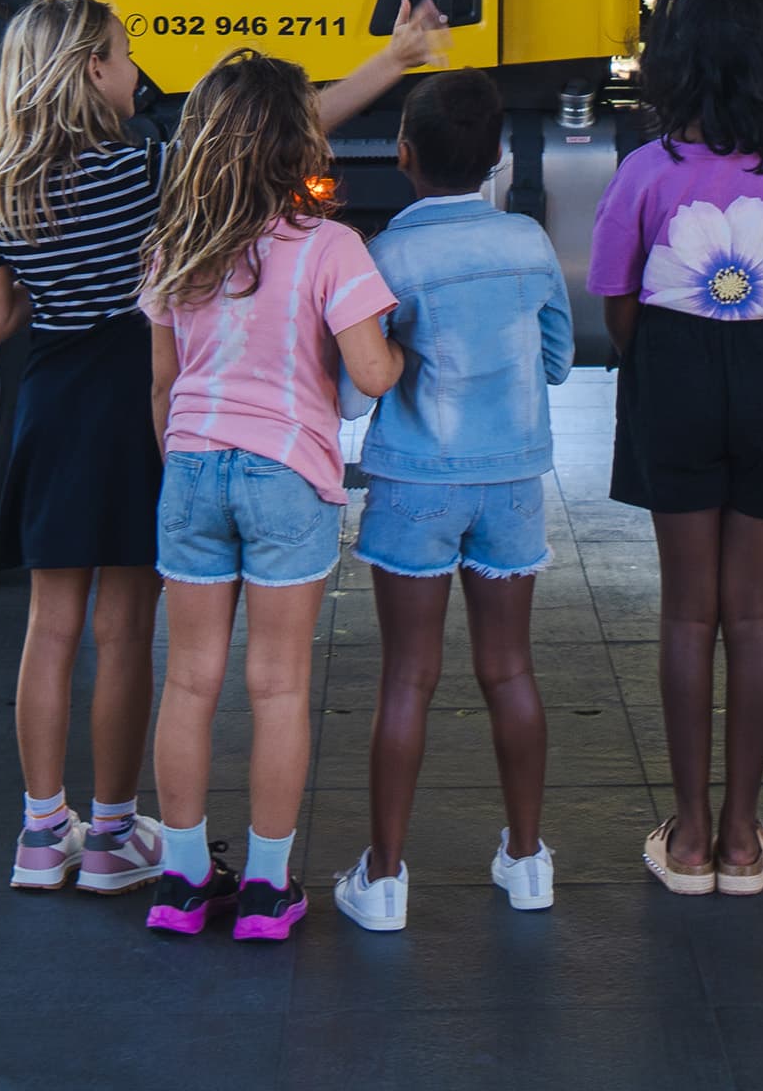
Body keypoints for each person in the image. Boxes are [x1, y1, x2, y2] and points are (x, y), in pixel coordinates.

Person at [0, 0, 445, 898]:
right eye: (124, 54)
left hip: (53, 403)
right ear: (92, 72)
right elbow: (264, 133)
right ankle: (112, 835)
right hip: (144, 401)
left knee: (50, 624)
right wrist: (390, 63)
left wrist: (53, 277)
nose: (136, 70)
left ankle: (40, 832)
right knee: (123, 628)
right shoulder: (146, 168)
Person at [586, 0, 763, 897]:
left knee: (687, 611)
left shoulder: (646, 170)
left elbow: (616, 301)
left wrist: (671, 359)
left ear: (674, 66)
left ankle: (691, 835)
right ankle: (744, 838)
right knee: (755, 610)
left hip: (674, 372)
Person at [141, 51, 404, 940]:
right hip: (286, 472)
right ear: (303, 143)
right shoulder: (330, 247)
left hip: (190, 467)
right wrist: (401, 352)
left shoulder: (178, 245)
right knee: (280, 685)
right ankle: (264, 886)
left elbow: (163, 384)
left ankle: (182, 881)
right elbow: (372, 371)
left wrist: (184, 465)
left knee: (189, 682)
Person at [333, 70, 574, 931]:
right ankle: (527, 860)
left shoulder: (387, 257)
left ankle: (385, 879)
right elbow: (556, 361)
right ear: (499, 155)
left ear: (402, 153)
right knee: (509, 669)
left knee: (409, 675)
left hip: (416, 483)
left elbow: (355, 392)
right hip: (512, 484)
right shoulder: (528, 242)